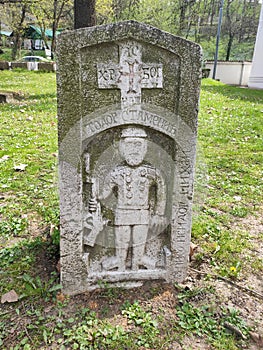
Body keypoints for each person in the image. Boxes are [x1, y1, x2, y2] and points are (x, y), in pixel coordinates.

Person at [100, 127, 166, 271]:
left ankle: (137, 263)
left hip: (142, 213)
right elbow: (104, 194)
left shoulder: (151, 172)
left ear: (145, 148)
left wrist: (159, 214)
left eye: (138, 146)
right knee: (122, 241)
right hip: (122, 213)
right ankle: (120, 263)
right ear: (121, 148)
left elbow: (161, 188)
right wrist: (94, 196)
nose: (134, 150)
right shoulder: (116, 173)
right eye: (129, 145)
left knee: (138, 242)